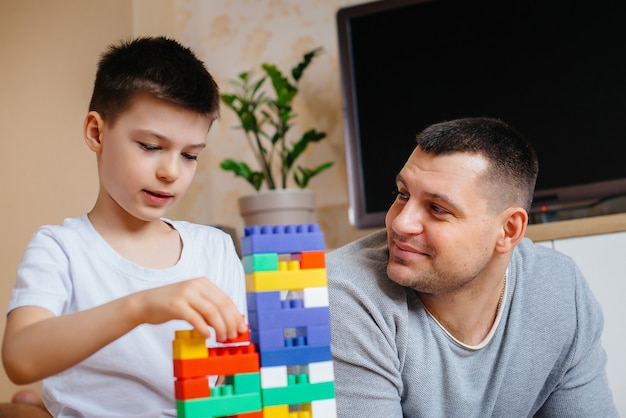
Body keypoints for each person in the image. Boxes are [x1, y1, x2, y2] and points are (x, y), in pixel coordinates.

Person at [1, 36, 248, 417]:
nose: (170, 172)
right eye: (150, 146)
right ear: (96, 133)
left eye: (189, 155)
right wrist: (141, 306)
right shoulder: (60, 248)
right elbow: (20, 358)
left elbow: (234, 385)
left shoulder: (215, 249)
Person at [327, 117, 619, 417]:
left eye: (438, 209)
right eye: (403, 194)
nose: (400, 222)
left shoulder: (557, 289)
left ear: (508, 230)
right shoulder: (345, 296)